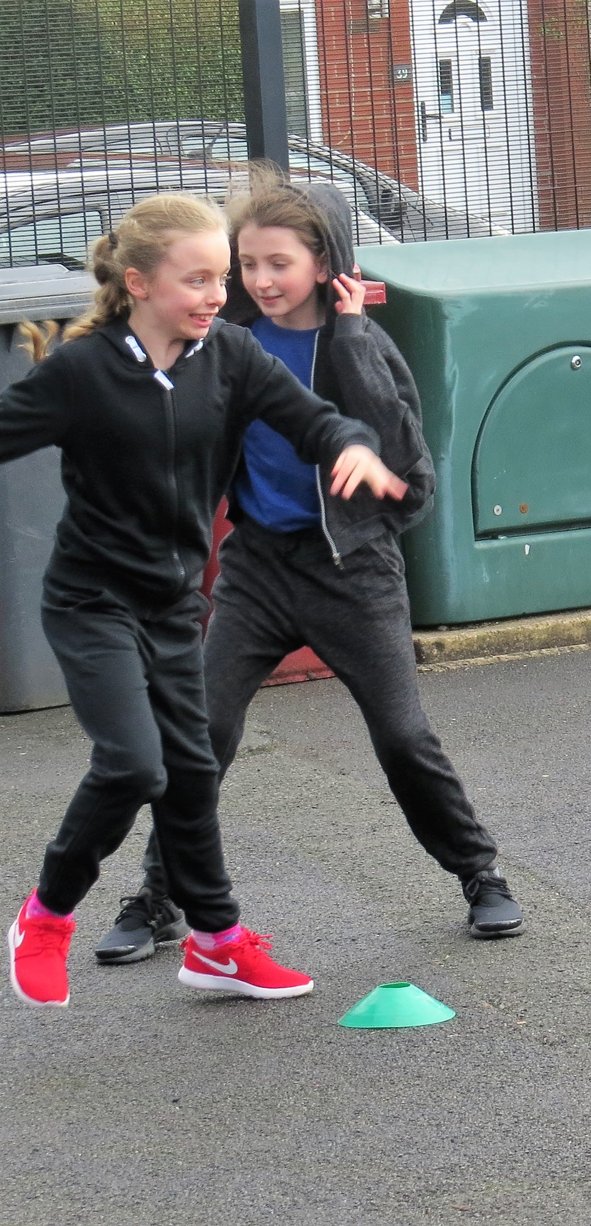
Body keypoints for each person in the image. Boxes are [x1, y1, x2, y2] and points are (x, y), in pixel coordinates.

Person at [91, 167, 524, 966]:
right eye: (245, 265)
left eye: (277, 264)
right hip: (258, 570)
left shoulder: (362, 346)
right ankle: (155, 900)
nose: (259, 281)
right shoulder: (227, 346)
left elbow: (412, 481)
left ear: (325, 264)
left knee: (401, 735)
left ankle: (480, 873)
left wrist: (353, 339)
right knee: (202, 732)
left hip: (353, 573)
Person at [1, 192, 409, 1008]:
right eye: (198, 280)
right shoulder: (83, 372)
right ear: (138, 282)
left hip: (174, 605)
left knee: (190, 771)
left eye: (221, 278)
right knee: (133, 763)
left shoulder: (228, 356)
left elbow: (313, 420)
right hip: (93, 605)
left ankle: (217, 943)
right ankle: (45, 918)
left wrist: (353, 445)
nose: (218, 294)